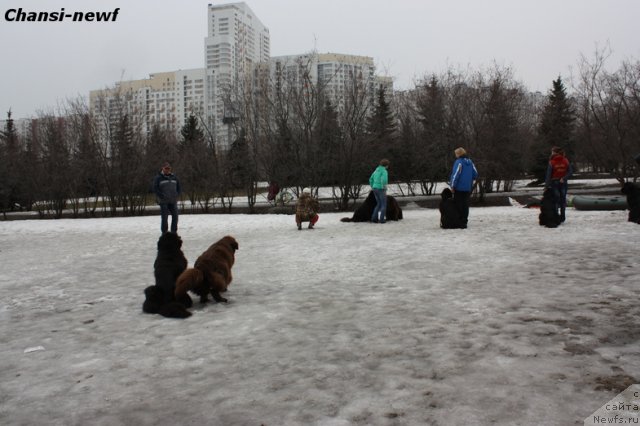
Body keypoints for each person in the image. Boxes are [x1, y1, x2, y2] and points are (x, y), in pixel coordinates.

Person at [449, 147, 479, 229]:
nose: (455, 155)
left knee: (458, 205)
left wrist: (452, 185)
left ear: (459, 154)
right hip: (467, 188)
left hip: (459, 187)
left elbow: (455, 175)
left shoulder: (459, 162)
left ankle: (458, 222)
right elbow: (475, 174)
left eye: (456, 154)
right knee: (465, 205)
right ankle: (464, 222)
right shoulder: (470, 162)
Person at [544, 147, 572, 223]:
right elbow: (570, 172)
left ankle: (556, 217)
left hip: (554, 182)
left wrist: (546, 186)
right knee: (563, 201)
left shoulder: (551, 162)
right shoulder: (566, 160)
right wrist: (564, 178)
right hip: (563, 183)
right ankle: (563, 217)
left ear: (555, 152)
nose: (551, 153)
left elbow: (548, 175)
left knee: (556, 201)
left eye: (552, 152)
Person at [153, 162, 181, 234]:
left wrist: (177, 194)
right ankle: (164, 233)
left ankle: (173, 232)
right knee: (164, 218)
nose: (167, 170)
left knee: (175, 217)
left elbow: (179, 187)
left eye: (169, 168)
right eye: (166, 168)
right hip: (163, 201)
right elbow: (155, 188)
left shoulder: (174, 177)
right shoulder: (158, 178)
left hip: (173, 201)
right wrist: (161, 196)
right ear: (163, 168)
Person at [369, 159, 390, 223]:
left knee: (378, 204)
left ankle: (374, 219)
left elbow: (370, 179)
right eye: (388, 165)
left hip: (375, 188)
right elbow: (384, 180)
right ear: (386, 165)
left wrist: (373, 186)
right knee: (384, 204)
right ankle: (381, 220)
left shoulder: (376, 170)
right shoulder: (384, 171)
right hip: (381, 189)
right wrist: (384, 187)